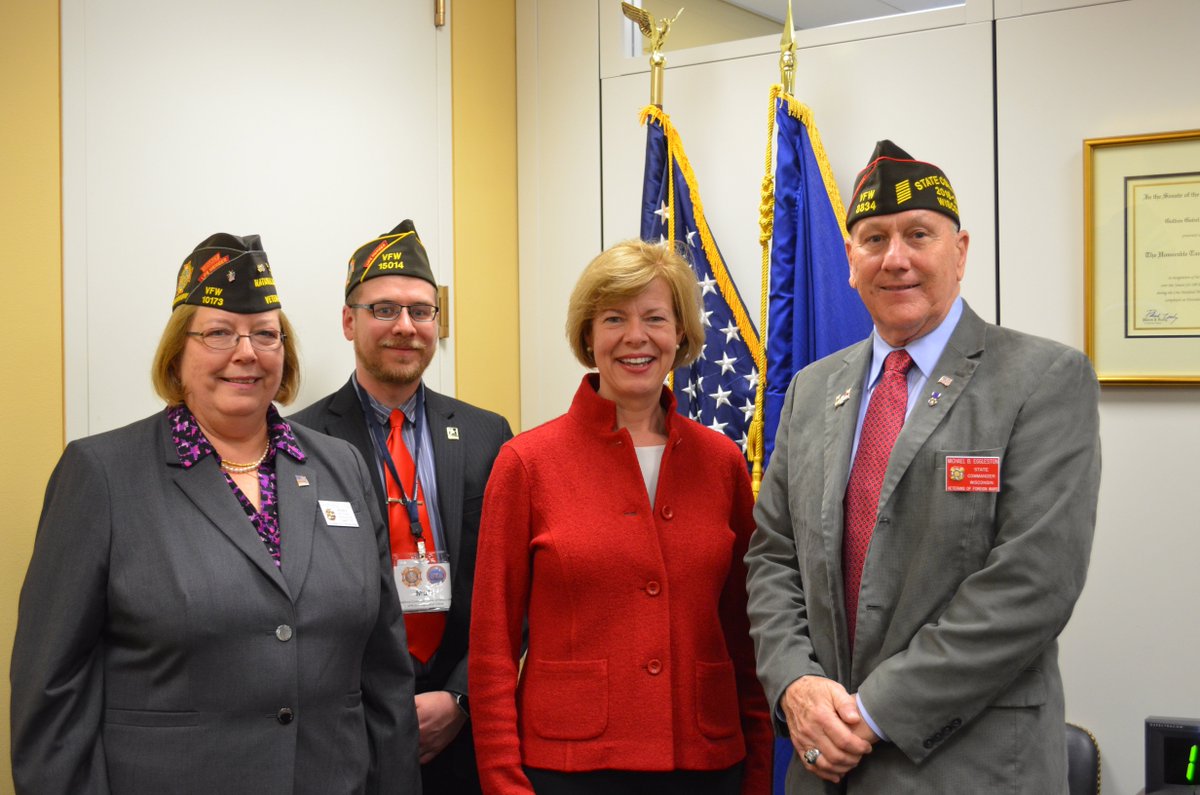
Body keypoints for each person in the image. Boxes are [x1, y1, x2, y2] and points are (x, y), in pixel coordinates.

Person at [744, 140, 1101, 793]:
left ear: (959, 252)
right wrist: (795, 683)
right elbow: (773, 556)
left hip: (971, 768)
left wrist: (872, 713)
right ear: (850, 260)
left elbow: (1033, 584)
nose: (896, 258)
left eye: (918, 234)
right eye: (874, 239)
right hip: (823, 766)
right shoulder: (811, 390)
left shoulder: (1043, 379)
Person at [10, 233, 420, 794]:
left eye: (265, 334)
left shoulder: (341, 466)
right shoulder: (102, 475)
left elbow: (384, 666)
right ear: (177, 354)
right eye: (219, 333)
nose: (246, 353)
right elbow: (52, 689)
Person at [469, 239, 772, 795]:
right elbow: (492, 648)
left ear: (680, 334)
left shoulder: (722, 462)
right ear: (588, 336)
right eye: (614, 318)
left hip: (707, 764)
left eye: (655, 318)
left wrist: (757, 775)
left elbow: (745, 635)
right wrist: (502, 782)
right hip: (569, 769)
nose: (637, 336)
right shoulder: (526, 464)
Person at [292, 219, 512, 794]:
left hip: (463, 732)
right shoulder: (298, 443)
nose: (406, 327)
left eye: (421, 310)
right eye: (384, 309)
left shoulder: (488, 435)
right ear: (349, 321)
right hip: (347, 728)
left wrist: (461, 696)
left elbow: (509, 585)